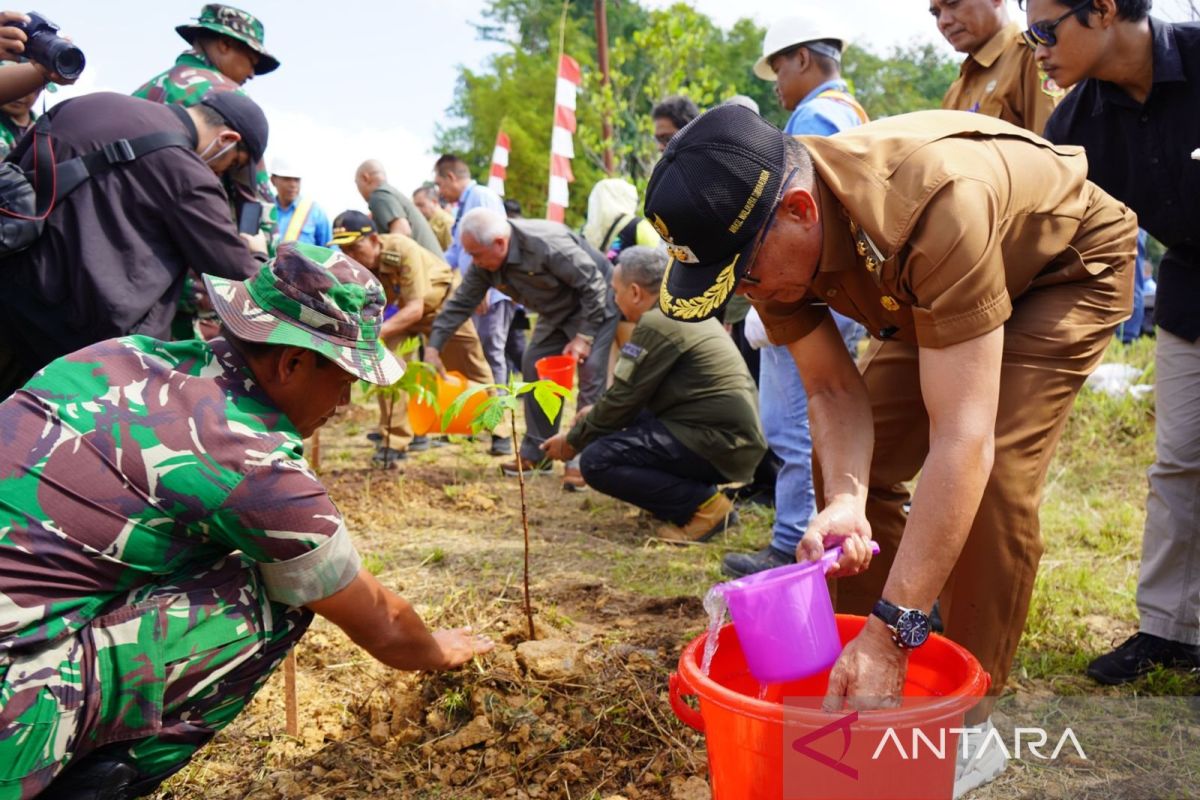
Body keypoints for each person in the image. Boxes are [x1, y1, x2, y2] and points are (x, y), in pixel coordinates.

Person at [644, 104, 1135, 796]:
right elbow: (834, 395)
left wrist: (897, 628)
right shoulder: (764, 244)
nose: (749, 297)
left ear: (800, 210)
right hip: (932, 288)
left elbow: (962, 439)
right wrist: (846, 499)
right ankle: (868, 672)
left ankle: (966, 721)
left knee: (989, 476)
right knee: (852, 478)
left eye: (746, 277)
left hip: (1061, 272)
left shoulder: (933, 203)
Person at [0, 244, 493, 800]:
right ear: (292, 363)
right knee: (272, 595)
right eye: (344, 379)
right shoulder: (250, 461)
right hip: (9, 703)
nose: (345, 402)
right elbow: (384, 627)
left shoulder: (118, 356)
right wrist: (440, 649)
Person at [1024, 0, 1200, 685]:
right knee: (1180, 461)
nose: (1036, 49)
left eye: (1045, 30)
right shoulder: (1075, 124)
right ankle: (1172, 629)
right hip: (1188, 290)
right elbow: (1054, 240)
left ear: (1101, 10)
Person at [0, 90, 271, 400]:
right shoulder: (188, 174)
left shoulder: (92, 103)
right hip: (81, 354)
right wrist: (258, 250)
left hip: (11, 298)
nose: (221, 173)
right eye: (234, 163)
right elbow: (235, 275)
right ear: (226, 139)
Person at [724, 18, 869, 578]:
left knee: (794, 429)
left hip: (806, 294)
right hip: (833, 291)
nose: (776, 83)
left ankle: (792, 545)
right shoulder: (848, 111)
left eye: (779, 68)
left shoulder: (814, 118)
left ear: (804, 58)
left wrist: (771, 303)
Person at [542, 247, 765, 541]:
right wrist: (594, 416)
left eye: (615, 291)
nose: (614, 299)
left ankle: (705, 509)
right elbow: (632, 399)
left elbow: (623, 400)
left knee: (597, 461)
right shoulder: (683, 310)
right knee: (615, 432)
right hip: (727, 439)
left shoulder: (658, 322)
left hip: (721, 444)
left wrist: (573, 442)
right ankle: (685, 501)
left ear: (635, 292)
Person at [428, 207, 618, 487]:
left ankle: (582, 458)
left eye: (476, 254)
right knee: (534, 364)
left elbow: (594, 285)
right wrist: (434, 347)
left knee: (590, 374)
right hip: (555, 312)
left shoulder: (546, 244)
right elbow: (460, 303)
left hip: (596, 305)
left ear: (500, 243)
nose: (473, 261)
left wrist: (583, 338)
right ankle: (538, 453)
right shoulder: (486, 263)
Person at [329, 210, 492, 465]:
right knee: (386, 366)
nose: (350, 256)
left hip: (440, 306)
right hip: (401, 315)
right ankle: (395, 438)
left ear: (373, 240)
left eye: (355, 248)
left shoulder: (401, 249)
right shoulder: (357, 268)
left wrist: (374, 334)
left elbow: (415, 308)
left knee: (471, 363)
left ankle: (501, 429)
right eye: (344, 249)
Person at [434, 154, 518, 457]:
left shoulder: (481, 195)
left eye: (440, 183)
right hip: (475, 292)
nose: (440, 191)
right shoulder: (461, 208)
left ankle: (502, 432)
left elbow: (498, 240)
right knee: (477, 355)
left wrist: (488, 285)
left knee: (492, 355)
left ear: (451, 177)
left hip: (491, 293)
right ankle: (478, 422)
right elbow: (456, 253)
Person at [935, 0, 1063, 134]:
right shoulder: (955, 91)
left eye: (953, 3)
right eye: (936, 14)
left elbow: (1052, 149)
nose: (943, 21)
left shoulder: (1034, 57)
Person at [751, 15, 868, 135]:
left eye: (777, 70)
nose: (775, 87)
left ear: (802, 59)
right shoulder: (851, 111)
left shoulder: (812, 117)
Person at [354, 159, 444, 258]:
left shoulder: (379, 195)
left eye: (357, 184)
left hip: (427, 270)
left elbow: (402, 230)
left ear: (365, 178)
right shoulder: (389, 193)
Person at [270, 156, 332, 247]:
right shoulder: (264, 211)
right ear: (273, 180)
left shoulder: (315, 212)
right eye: (287, 179)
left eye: (297, 180)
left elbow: (329, 249)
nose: (293, 185)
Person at [0, 73, 38, 159]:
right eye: (10, 86)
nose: (18, 96)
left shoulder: (49, 127)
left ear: (39, 92)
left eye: (28, 89)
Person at [412, 184, 454, 250]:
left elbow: (452, 254)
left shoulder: (447, 223)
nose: (417, 210)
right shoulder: (425, 222)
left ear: (434, 202)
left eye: (421, 205)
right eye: (415, 206)